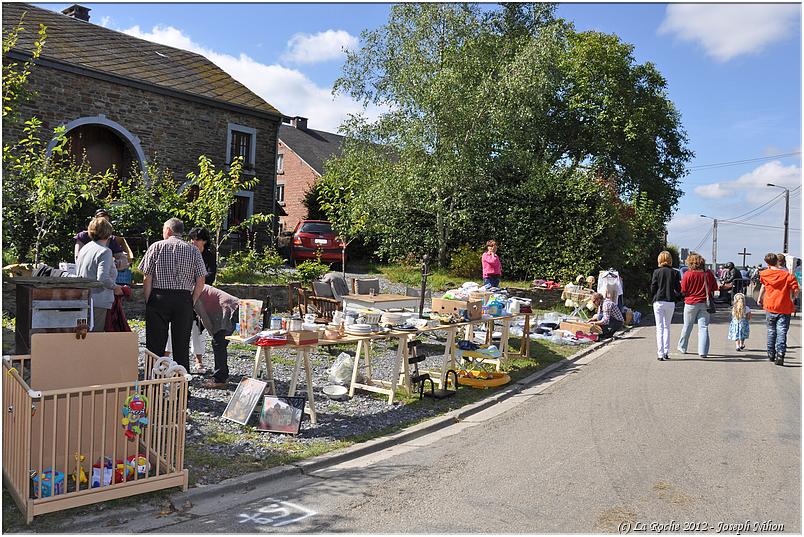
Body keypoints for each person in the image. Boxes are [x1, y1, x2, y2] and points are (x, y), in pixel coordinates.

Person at [138, 218, 206, 372]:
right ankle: (183, 388)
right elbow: (201, 279)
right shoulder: (193, 250)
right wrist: (192, 300)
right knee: (181, 345)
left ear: (168, 230)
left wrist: (149, 299)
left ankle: (152, 386)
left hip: (159, 296)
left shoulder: (156, 247)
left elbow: (146, 277)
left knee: (155, 346)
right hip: (183, 299)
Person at [165, 227, 218, 373]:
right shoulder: (187, 252)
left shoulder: (209, 255)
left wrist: (196, 281)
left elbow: (210, 276)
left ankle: (198, 359)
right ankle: (166, 357)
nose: (193, 242)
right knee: (173, 326)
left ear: (204, 241)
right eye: (192, 239)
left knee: (198, 328)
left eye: (197, 239)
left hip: (201, 296)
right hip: (183, 293)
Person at [76, 217, 123, 331]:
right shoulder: (105, 251)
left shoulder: (85, 248)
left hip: (83, 298)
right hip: (98, 301)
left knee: (84, 335)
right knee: (95, 337)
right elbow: (103, 278)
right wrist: (116, 287)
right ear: (108, 232)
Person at [193, 285, 239, 389]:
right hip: (233, 305)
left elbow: (203, 316)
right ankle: (222, 375)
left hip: (229, 308)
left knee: (218, 343)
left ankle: (220, 378)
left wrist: (212, 332)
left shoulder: (193, 290)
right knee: (219, 343)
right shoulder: (196, 286)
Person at [758, 252, 799, 365]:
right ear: (778, 261)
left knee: (771, 330)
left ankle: (771, 353)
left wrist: (760, 298)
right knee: (782, 330)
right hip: (784, 306)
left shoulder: (764, 274)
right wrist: (793, 299)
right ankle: (780, 354)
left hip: (770, 305)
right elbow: (796, 289)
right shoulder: (788, 276)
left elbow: (763, 286)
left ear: (767, 262)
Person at [677, 252, 718, 359]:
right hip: (705, 303)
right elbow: (714, 287)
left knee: (687, 326)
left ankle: (683, 347)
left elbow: (683, 290)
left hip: (690, 303)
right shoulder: (708, 274)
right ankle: (703, 351)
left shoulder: (688, 274)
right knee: (703, 328)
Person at [650, 250, 681, 361]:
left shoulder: (656, 272)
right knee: (667, 326)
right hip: (670, 301)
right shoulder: (675, 273)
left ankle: (660, 353)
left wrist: (653, 297)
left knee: (659, 327)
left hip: (658, 301)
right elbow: (678, 289)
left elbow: (653, 288)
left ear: (659, 260)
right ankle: (666, 352)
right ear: (670, 260)